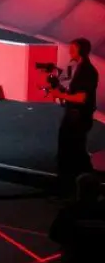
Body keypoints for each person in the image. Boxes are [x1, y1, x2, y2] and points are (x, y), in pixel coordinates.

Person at [53, 38, 98, 187]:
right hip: (73, 114)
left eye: (73, 48)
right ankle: (77, 186)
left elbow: (81, 97)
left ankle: (80, 186)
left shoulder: (87, 71)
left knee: (74, 151)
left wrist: (61, 95)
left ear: (81, 50)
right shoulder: (77, 67)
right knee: (71, 150)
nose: (70, 51)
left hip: (78, 116)